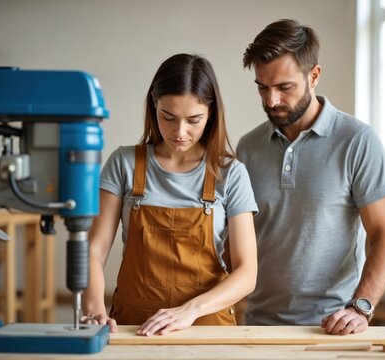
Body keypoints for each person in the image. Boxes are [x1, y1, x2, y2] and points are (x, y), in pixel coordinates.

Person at [237, 19, 385, 335]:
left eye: (284, 87)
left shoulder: (358, 141)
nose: (271, 101)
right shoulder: (248, 146)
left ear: (314, 76)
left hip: (332, 327)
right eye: (262, 87)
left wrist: (361, 307)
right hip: (257, 325)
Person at [82, 53, 258, 336]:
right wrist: (93, 310)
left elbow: (247, 273)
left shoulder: (231, 173)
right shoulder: (124, 163)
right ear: (154, 103)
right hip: (134, 325)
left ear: (211, 113)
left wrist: (191, 310)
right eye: (169, 117)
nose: (180, 132)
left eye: (194, 119)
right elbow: (94, 250)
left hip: (207, 327)